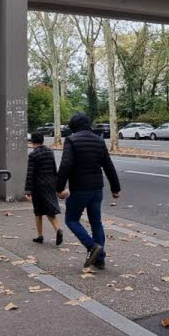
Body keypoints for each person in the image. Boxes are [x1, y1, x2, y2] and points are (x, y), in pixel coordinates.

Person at [56, 112, 121, 270]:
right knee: (96, 222)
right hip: (97, 188)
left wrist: (59, 187)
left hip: (79, 187)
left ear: (73, 126)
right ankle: (100, 259)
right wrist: (115, 188)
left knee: (71, 219)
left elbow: (65, 165)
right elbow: (108, 165)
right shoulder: (99, 141)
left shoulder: (71, 140)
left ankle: (92, 247)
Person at [24, 132, 63, 245]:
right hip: (50, 184)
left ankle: (40, 235)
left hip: (38, 186)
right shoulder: (50, 152)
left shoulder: (33, 155)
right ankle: (57, 229)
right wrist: (57, 185)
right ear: (42, 141)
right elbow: (54, 170)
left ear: (32, 142)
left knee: (38, 211)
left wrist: (28, 190)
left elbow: (30, 174)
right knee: (49, 209)